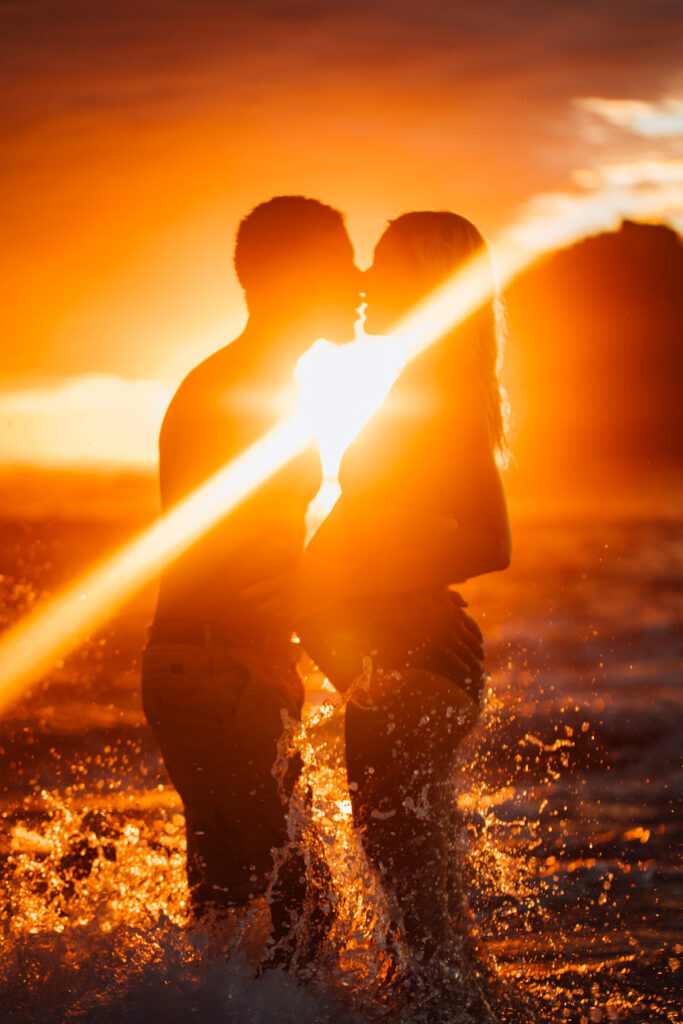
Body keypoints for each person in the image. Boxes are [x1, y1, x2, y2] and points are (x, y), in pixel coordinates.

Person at [261, 211, 511, 978]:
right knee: (426, 915)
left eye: (384, 262)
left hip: (413, 665)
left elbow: (487, 540)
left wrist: (331, 580)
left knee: (419, 918)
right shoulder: (425, 380)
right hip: (403, 664)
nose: (364, 280)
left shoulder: (444, 389)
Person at [140, 196, 361, 955]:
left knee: (230, 908)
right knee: (303, 906)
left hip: (203, 665)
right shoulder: (246, 393)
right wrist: (340, 651)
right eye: (343, 262)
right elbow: (250, 558)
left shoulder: (247, 381)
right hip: (220, 668)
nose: (360, 279)